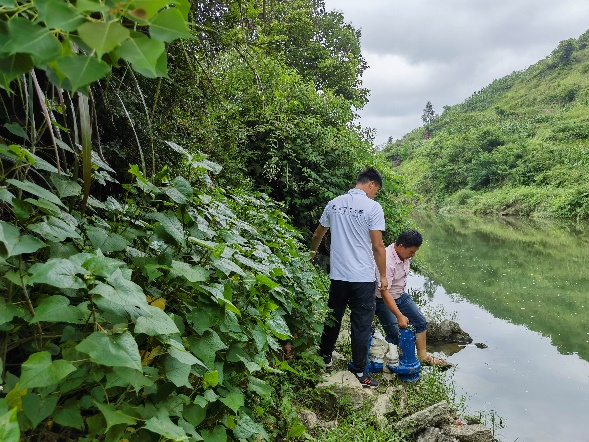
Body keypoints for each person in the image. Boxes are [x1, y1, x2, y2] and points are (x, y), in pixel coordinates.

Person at [310, 167, 388, 388]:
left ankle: (325, 356)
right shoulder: (373, 207)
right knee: (361, 323)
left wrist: (312, 253)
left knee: (333, 317)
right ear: (371, 184)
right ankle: (360, 371)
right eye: (376, 190)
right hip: (362, 276)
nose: (374, 194)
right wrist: (383, 275)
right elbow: (378, 246)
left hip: (339, 275)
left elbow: (318, 234)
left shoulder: (334, 203)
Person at [375, 229, 451, 368]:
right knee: (394, 332)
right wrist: (399, 316)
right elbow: (385, 293)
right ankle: (394, 360)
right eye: (411, 251)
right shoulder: (387, 260)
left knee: (421, 322)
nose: (413, 255)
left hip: (400, 295)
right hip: (383, 300)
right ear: (401, 246)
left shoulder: (405, 255)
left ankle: (423, 356)